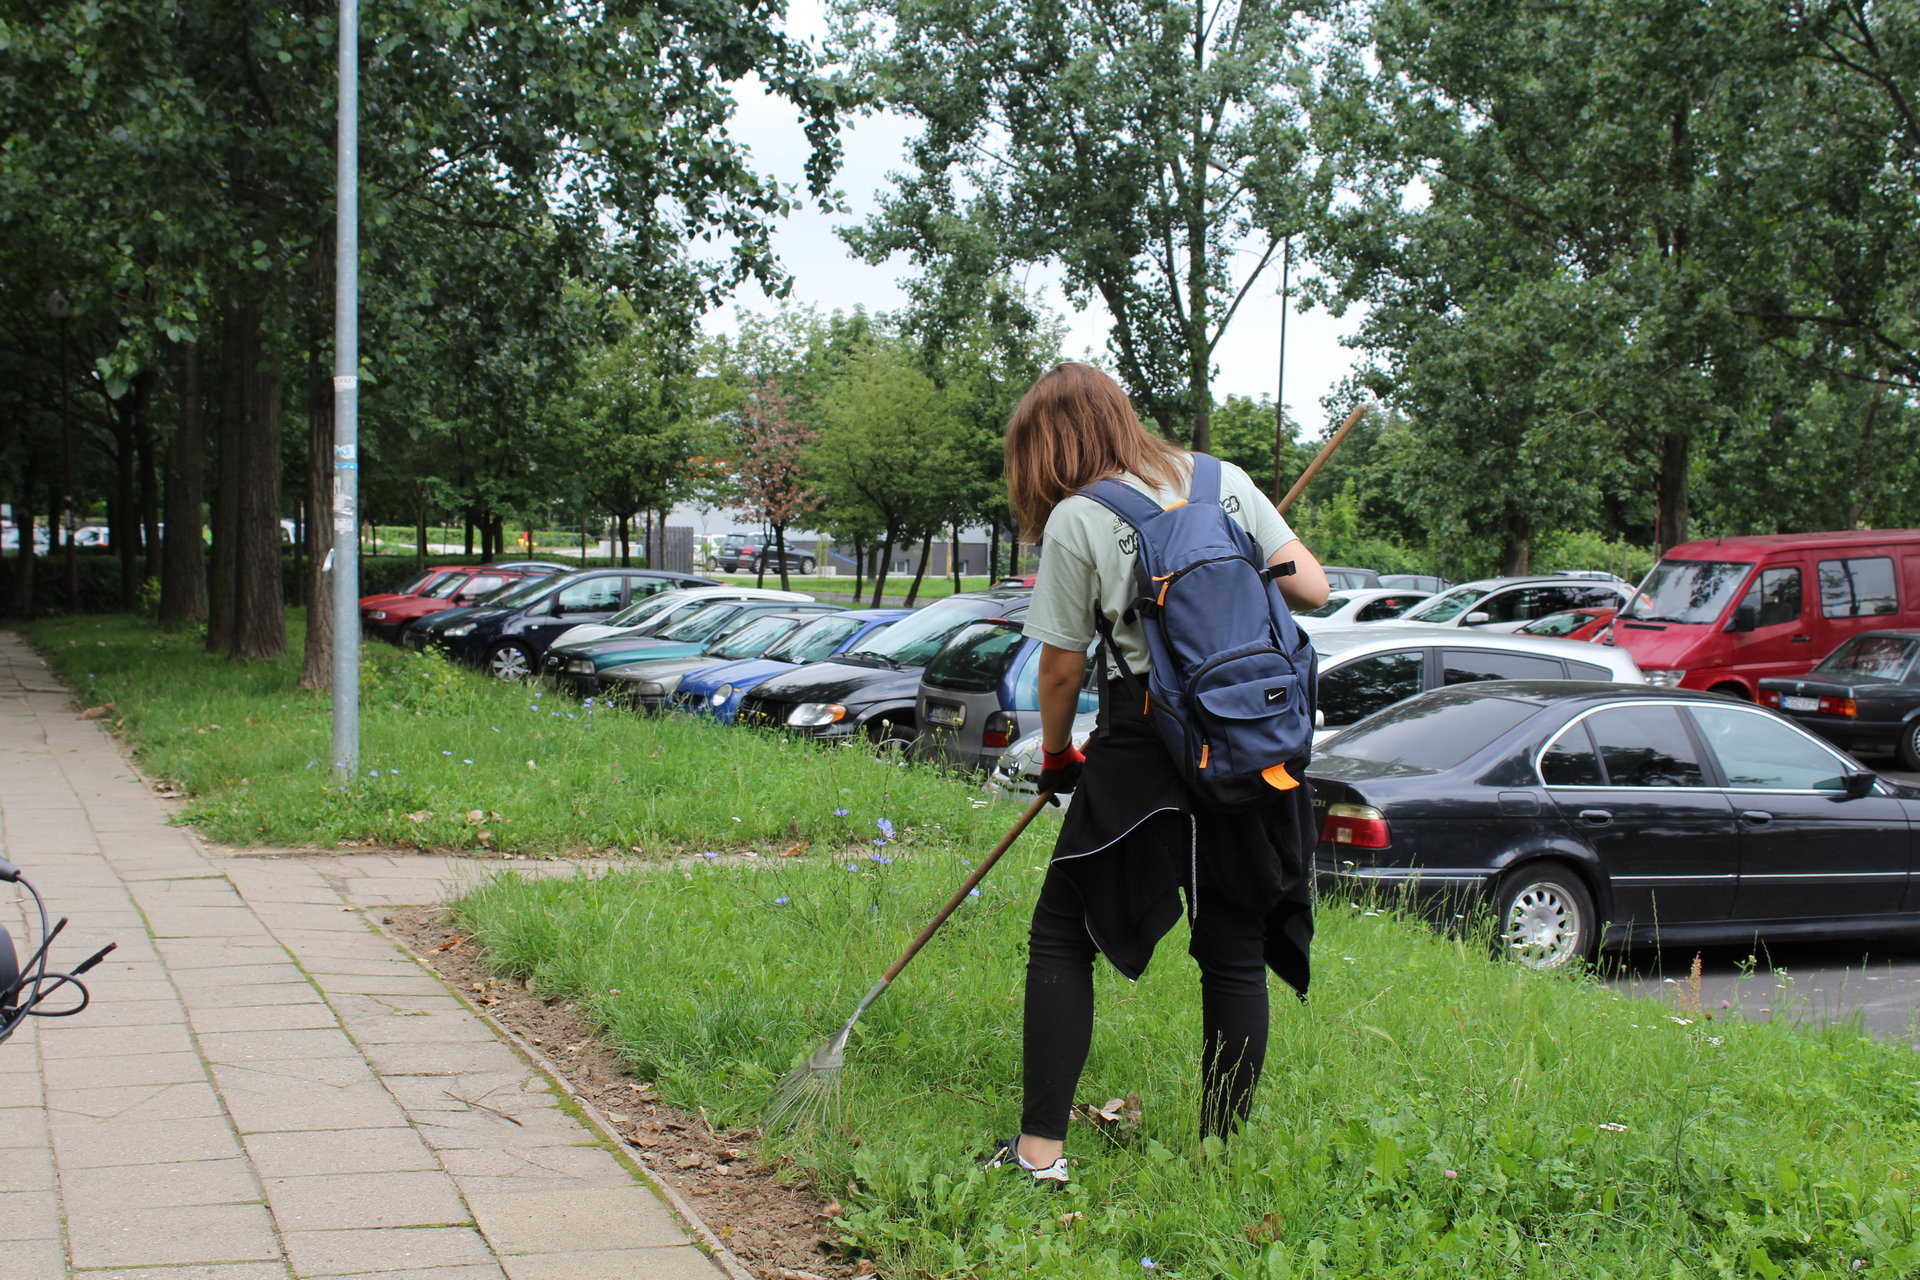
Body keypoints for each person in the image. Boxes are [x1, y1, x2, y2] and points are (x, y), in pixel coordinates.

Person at [984, 362, 1329, 1183]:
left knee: (1063, 934)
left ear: (1049, 445)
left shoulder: (1079, 516)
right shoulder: (1223, 479)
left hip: (1145, 743)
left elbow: (1062, 668)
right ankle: (1218, 1157)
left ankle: (1039, 1156)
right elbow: (1311, 588)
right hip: (1251, 739)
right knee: (1235, 946)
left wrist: (1061, 757)